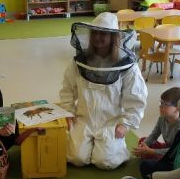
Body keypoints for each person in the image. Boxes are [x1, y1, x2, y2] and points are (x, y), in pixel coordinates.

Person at [58, 12, 147, 169]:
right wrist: (68, 113)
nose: (98, 37)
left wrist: (126, 124)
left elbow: (136, 98)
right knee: (76, 158)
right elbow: (67, 88)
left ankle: (112, 146)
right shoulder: (80, 61)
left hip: (110, 122)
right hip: (84, 119)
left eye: (103, 33)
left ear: (113, 37)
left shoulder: (127, 66)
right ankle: (89, 144)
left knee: (105, 162)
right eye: (95, 33)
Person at [132, 87, 180, 160]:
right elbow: (154, 135)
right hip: (167, 147)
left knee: (152, 160)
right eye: (161, 102)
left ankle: (155, 160)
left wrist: (151, 151)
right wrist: (143, 146)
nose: (160, 106)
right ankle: (152, 158)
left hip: (176, 153)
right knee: (143, 140)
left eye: (165, 104)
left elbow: (178, 150)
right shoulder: (162, 118)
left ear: (178, 108)